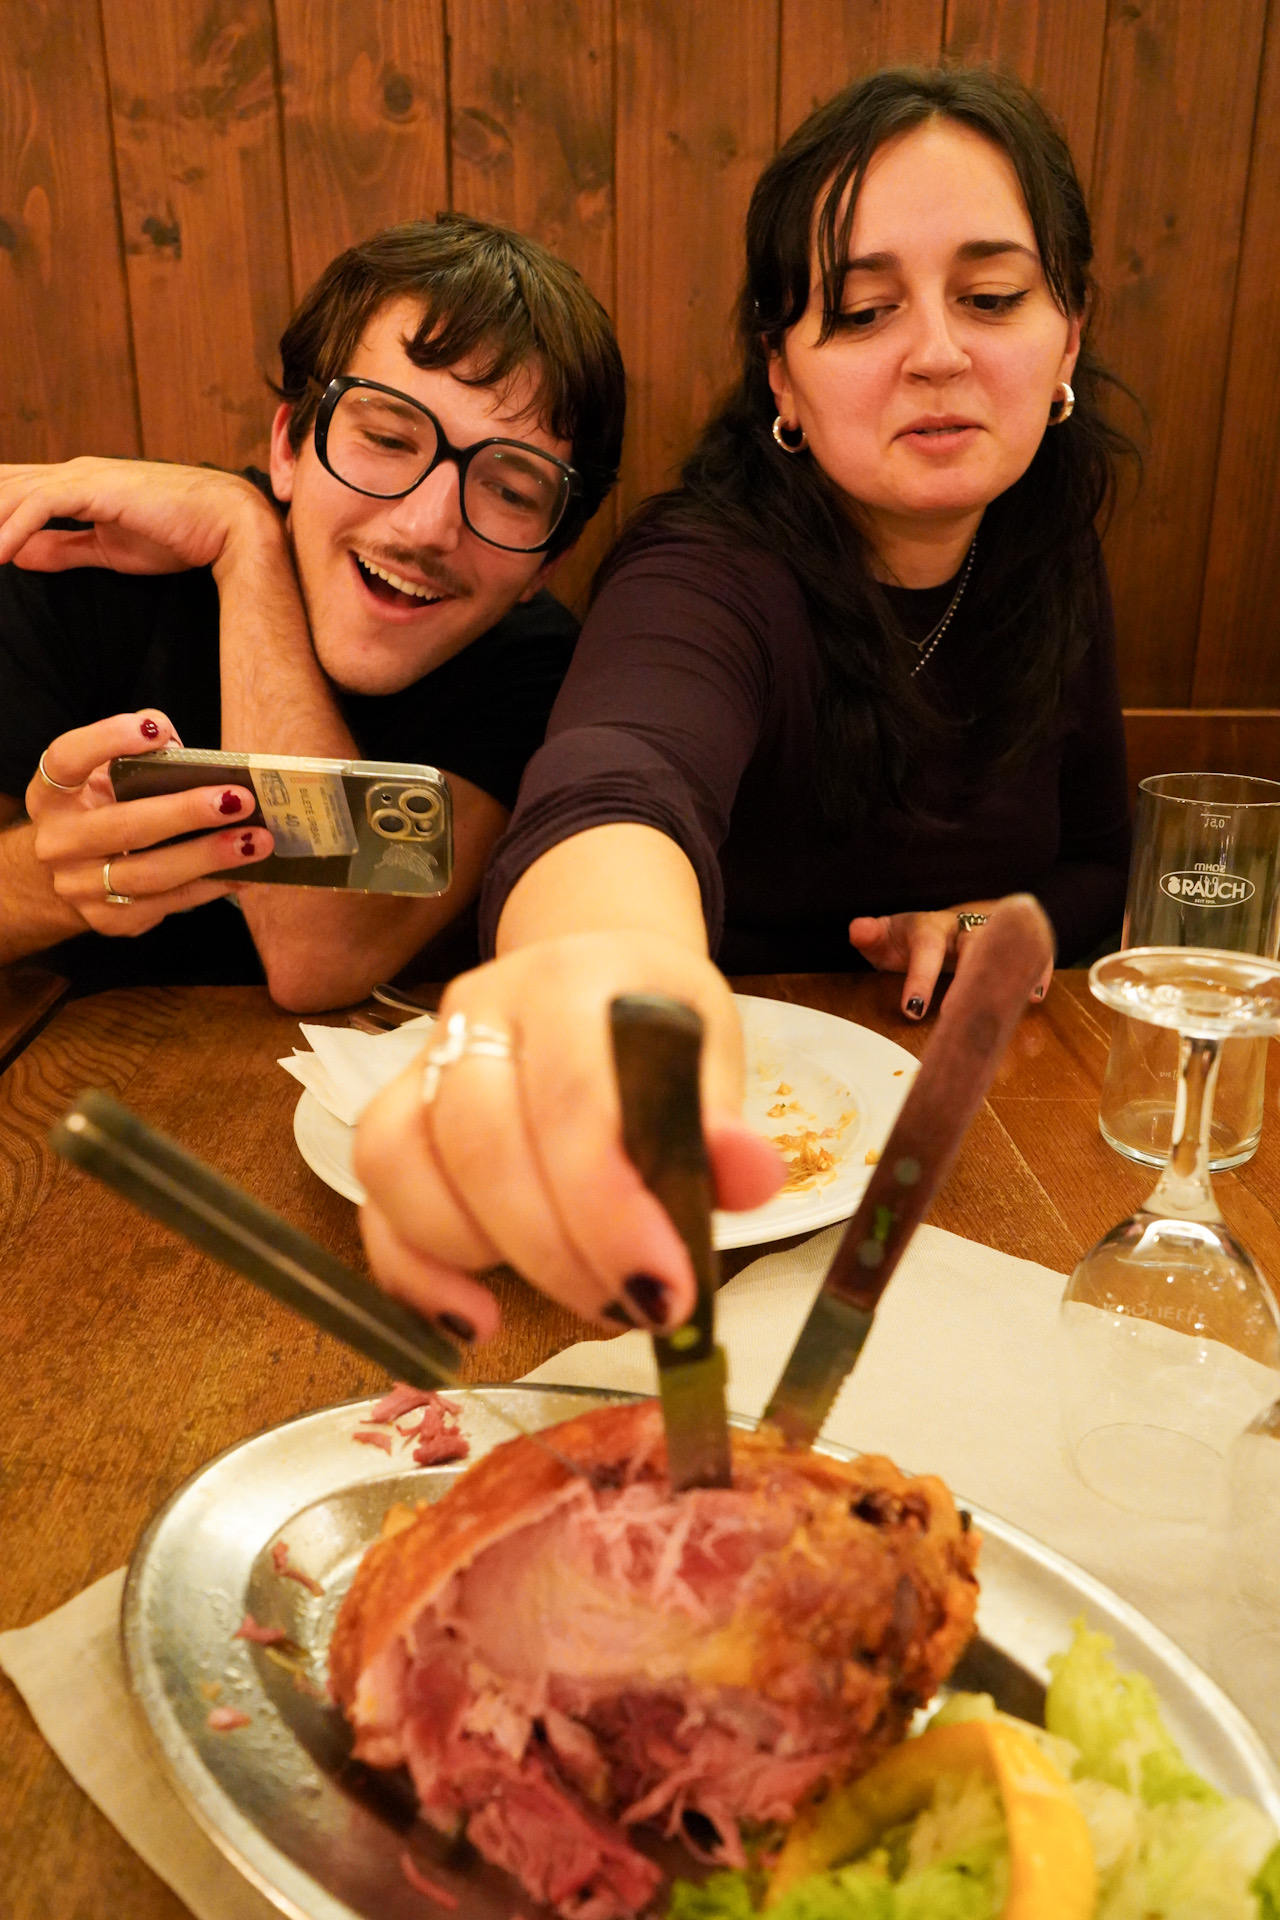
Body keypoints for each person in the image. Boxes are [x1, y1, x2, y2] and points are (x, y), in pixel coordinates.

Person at [352, 65, 1136, 1348]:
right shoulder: (700, 569)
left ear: (1067, 335)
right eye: (863, 310)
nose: (938, 352)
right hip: (689, 1224)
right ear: (781, 377)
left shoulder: (1046, 552)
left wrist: (1003, 926)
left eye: (990, 297)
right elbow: (618, 780)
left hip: (971, 1209)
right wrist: (611, 978)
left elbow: (1099, 859)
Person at [0, 215, 625, 1008]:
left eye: (508, 489)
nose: (426, 527)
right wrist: (56, 874)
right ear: (290, 448)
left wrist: (245, 544)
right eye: (389, 440)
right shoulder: (89, 558)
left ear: (549, 562)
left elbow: (320, 951)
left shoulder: (536, 676)